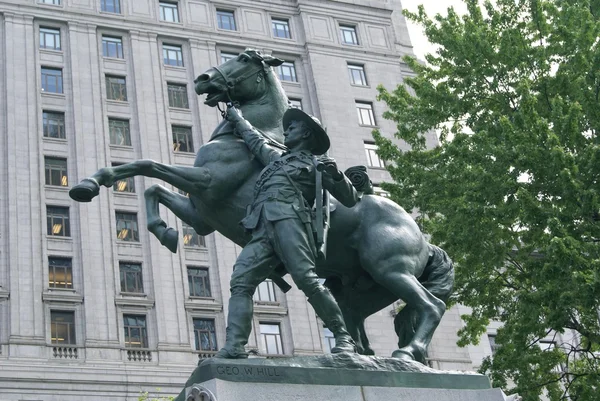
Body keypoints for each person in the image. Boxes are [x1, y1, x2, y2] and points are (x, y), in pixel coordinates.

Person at [214, 105, 361, 358]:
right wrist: (236, 117)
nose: (287, 131)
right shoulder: (275, 159)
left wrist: (337, 176)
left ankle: (343, 337)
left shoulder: (318, 164)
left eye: (292, 128)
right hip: (261, 227)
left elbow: (350, 198)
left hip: (290, 222)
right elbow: (254, 139)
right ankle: (235, 346)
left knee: (306, 279)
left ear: (306, 134)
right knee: (241, 281)